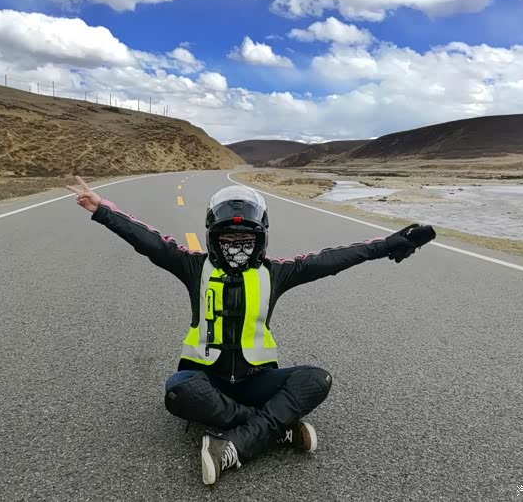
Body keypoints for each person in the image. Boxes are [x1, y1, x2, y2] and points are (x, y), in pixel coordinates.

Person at [66, 176, 435, 485]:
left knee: (317, 379)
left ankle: (233, 445)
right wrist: (102, 210)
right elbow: (148, 241)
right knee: (178, 390)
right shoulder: (192, 266)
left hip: (256, 380)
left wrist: (390, 244)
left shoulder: (277, 273)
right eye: (228, 240)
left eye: (246, 241)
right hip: (205, 381)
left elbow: (333, 259)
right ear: (213, 238)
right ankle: (278, 429)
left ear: (260, 240)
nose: (237, 248)